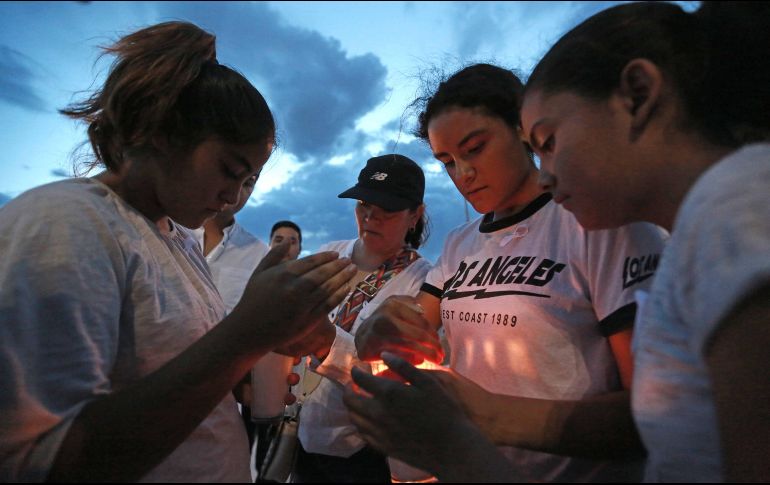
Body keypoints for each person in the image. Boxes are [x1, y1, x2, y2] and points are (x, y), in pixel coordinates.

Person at [0, 21, 355, 482]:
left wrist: (245, 369)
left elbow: (170, 373)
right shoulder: (66, 224)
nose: (233, 197)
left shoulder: (174, 238)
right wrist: (246, 334)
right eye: (229, 169)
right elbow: (44, 461)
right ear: (162, 132)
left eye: (249, 181)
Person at [346, 63, 669, 482]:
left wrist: (486, 416)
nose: (463, 175)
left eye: (475, 148)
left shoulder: (594, 224)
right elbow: (411, 329)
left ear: (523, 127)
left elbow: (655, 412)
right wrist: (378, 331)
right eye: (447, 161)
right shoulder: (460, 245)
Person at [518, 2, 770, 481]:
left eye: (548, 142)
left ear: (637, 93)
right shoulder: (701, 231)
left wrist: (457, 444)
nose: (544, 178)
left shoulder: (736, 210)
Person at [292, 154, 432, 483]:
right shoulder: (329, 255)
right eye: (364, 206)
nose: (371, 218)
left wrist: (328, 345)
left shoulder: (422, 282)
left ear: (416, 215)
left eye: (388, 211)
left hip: (363, 450)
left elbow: (399, 380)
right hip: (301, 430)